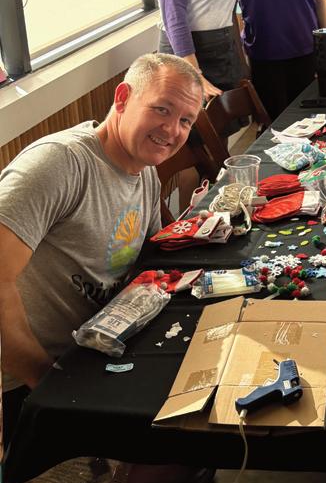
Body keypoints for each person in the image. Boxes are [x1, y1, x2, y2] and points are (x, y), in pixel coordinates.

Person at [0, 53, 203, 412]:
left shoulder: (144, 172)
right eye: (162, 109)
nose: (172, 130)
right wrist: (46, 383)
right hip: (32, 376)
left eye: (185, 120)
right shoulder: (59, 164)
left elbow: (149, 265)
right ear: (123, 98)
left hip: (102, 345)